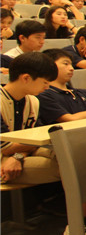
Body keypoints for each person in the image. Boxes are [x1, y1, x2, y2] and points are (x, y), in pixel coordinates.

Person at [0, 52, 59, 185]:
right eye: (45, 82)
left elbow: (35, 140)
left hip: (20, 155)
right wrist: (23, 151)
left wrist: (18, 156)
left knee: (69, 153)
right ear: (26, 78)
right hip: (3, 162)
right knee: (66, 166)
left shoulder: (33, 101)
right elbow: (6, 147)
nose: (47, 87)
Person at [37, 49, 86, 125]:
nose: (71, 68)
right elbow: (70, 119)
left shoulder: (84, 92)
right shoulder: (43, 94)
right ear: (50, 66)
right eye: (66, 64)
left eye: (71, 64)